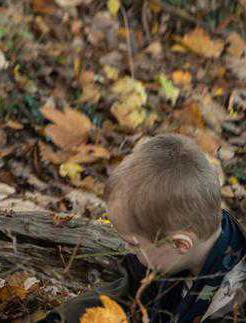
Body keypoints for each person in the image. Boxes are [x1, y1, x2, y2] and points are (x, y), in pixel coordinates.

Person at [44, 134, 246, 322]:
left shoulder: (232, 306)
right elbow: (123, 292)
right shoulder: (167, 253)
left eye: (133, 243)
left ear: (180, 244)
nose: (126, 248)